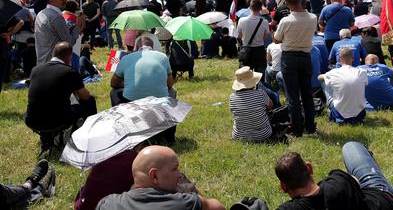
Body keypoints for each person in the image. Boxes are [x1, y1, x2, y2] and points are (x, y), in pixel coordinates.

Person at [275, 142, 393, 210]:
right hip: (383, 200)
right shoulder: (337, 180)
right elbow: (356, 181)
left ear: (283, 187)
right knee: (350, 147)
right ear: (309, 168)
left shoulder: (291, 208)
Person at [96, 145, 225, 210]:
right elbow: (219, 207)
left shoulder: (107, 203)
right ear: (154, 176)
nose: (180, 174)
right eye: (175, 169)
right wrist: (194, 194)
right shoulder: (182, 203)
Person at [25, 42, 97, 152]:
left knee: (46, 106)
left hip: (32, 119)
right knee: (90, 102)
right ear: (69, 56)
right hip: (57, 120)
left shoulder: (36, 69)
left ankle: (46, 140)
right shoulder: (69, 71)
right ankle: (88, 138)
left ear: (53, 54)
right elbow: (85, 96)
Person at [274, 0, 318, 137]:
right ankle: (310, 127)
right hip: (305, 56)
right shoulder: (313, 17)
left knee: (292, 95)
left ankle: (297, 129)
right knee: (307, 94)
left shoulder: (285, 21)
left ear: (286, 4)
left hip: (289, 57)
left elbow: (277, 39)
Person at [110, 36, 174, 106]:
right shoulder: (163, 56)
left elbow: (114, 83)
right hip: (160, 101)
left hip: (131, 101)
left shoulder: (125, 58)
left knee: (113, 92)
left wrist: (127, 85)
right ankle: (169, 114)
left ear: (136, 48)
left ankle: (118, 114)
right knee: (173, 91)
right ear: (152, 47)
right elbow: (170, 84)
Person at [35, 0, 84, 64]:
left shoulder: (41, 13)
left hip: (42, 61)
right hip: (54, 64)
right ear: (52, 0)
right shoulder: (56, 17)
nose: (65, 0)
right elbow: (69, 42)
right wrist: (78, 25)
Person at [318, 48, 367, 124]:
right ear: (353, 59)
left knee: (324, 82)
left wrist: (325, 76)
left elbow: (319, 78)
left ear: (339, 59)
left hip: (340, 114)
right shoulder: (361, 72)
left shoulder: (334, 72)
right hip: (359, 114)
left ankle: (330, 106)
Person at [229, 66, 273, 142]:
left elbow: (233, 112)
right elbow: (270, 106)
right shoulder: (260, 93)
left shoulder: (232, 97)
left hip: (239, 136)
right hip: (263, 134)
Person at [237, 0, 271, 73]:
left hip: (246, 50)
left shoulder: (241, 20)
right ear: (260, 8)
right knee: (260, 75)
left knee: (246, 75)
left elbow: (239, 35)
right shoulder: (265, 22)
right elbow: (265, 37)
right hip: (259, 50)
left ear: (250, 7)